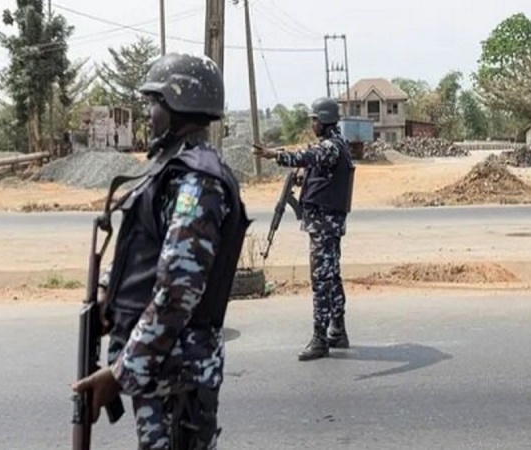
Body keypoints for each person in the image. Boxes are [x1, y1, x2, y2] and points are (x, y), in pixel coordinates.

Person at [71, 52, 250, 450]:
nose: (148, 115)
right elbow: (144, 246)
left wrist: (120, 373)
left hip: (178, 377)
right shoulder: (170, 171)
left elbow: (177, 292)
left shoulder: (197, 182)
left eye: (155, 104)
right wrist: (108, 295)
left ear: (178, 106)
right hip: (163, 370)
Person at [253, 97, 355, 361]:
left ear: (324, 120)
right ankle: (338, 330)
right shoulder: (337, 144)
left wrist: (276, 155)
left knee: (321, 280)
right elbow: (318, 166)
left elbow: (307, 155)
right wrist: (305, 177)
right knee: (331, 276)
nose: (312, 124)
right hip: (327, 223)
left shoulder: (330, 147)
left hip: (324, 225)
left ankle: (320, 339)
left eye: (314, 120)